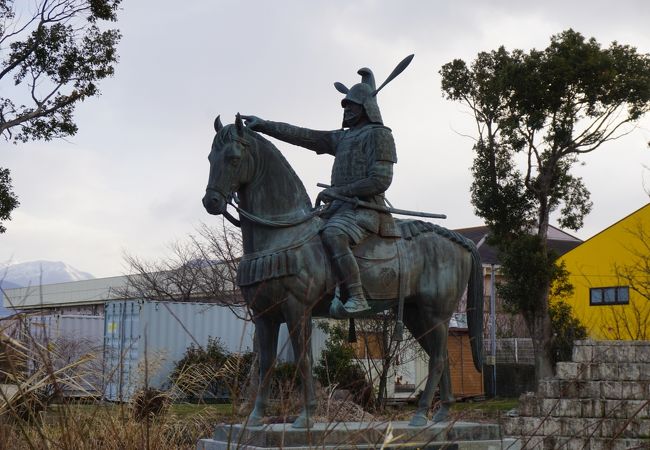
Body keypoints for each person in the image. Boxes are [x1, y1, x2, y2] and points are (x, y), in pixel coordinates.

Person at [242, 67, 398, 317]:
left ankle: (357, 296)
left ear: (366, 108)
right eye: (345, 105)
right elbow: (306, 136)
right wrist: (265, 126)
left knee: (334, 235)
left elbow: (381, 180)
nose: (347, 109)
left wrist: (341, 191)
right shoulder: (343, 138)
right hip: (337, 208)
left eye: (352, 105)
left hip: (366, 210)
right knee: (304, 234)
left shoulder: (379, 135)